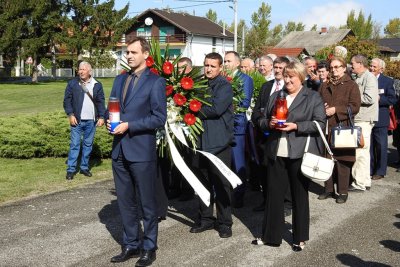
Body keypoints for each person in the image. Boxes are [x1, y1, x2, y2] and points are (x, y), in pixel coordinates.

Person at [252, 61, 326, 251]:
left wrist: (297, 126)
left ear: (301, 77)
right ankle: (270, 236)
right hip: (277, 150)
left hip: (300, 152)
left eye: (291, 76)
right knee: (273, 194)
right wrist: (269, 123)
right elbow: (259, 119)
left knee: (299, 195)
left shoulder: (312, 97)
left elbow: (320, 124)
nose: (287, 80)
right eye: (285, 76)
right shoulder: (277, 95)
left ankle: (299, 237)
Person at [107, 37, 167, 267]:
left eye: (133, 52)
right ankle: (131, 244)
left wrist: (130, 125)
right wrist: (106, 118)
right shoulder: (120, 80)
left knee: (147, 203)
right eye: (127, 52)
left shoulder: (155, 82)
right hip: (119, 150)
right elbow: (114, 107)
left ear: (145, 54)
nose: (129, 56)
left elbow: (158, 118)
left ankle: (149, 247)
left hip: (141, 151)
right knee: (125, 202)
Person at [189, 52, 234, 238]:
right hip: (199, 141)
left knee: (221, 183)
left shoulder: (224, 86)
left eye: (212, 66)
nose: (208, 69)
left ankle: (225, 222)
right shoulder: (200, 83)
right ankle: (206, 218)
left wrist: (191, 108)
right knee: (201, 182)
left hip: (218, 142)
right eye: (206, 65)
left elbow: (215, 109)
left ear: (220, 68)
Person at [318, 57, 361, 204]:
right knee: (326, 159)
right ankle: (328, 189)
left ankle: (343, 191)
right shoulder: (325, 85)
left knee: (343, 160)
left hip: (343, 127)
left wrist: (336, 110)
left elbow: (355, 107)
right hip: (326, 127)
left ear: (344, 68)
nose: (334, 70)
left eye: (337, 67)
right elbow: (317, 102)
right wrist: (321, 109)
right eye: (332, 67)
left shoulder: (351, 85)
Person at [251, 56, 291, 213]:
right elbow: (257, 110)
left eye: (281, 68)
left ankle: (286, 202)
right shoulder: (267, 86)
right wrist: (261, 121)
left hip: (283, 135)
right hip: (265, 134)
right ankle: (267, 200)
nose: (278, 71)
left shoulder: (290, 87)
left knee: (283, 170)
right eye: (276, 67)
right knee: (265, 169)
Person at [63, 61, 105, 180]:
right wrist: (70, 114)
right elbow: (67, 101)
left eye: (83, 69)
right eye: (79, 69)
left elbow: (101, 102)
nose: (80, 71)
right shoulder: (72, 84)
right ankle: (71, 170)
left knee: (88, 145)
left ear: (89, 71)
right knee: (75, 144)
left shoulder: (97, 85)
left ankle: (84, 167)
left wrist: (102, 117)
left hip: (91, 121)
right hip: (77, 120)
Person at [224, 51, 254, 208]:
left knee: (238, 161)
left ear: (237, 63)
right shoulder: (223, 79)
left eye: (228, 61)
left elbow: (244, 103)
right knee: (225, 161)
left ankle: (240, 194)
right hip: (223, 126)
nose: (226, 64)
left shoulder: (245, 79)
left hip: (237, 126)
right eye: (225, 61)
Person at [349, 54, 379, 192]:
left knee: (360, 151)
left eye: (353, 63)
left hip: (364, 120)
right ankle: (365, 181)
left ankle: (359, 183)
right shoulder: (360, 77)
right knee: (363, 152)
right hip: (360, 119)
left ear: (360, 64)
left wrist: (351, 97)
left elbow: (370, 98)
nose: (351, 66)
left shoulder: (369, 77)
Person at [369, 58, 397, 180]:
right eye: (370, 65)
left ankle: (380, 171)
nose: (371, 68)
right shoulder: (365, 79)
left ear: (381, 69)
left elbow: (393, 99)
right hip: (367, 118)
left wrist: (381, 100)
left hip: (381, 118)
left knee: (381, 146)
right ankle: (369, 169)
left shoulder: (387, 81)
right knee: (368, 146)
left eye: (374, 66)